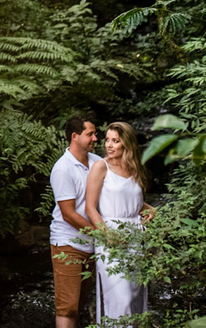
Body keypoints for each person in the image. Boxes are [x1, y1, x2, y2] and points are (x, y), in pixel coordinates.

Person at [85, 121, 155, 324]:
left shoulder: (134, 169)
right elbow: (90, 207)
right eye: (107, 140)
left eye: (115, 141)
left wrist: (152, 210)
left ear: (127, 143)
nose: (109, 145)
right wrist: (108, 236)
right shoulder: (101, 166)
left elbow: (136, 202)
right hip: (110, 236)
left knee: (133, 298)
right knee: (120, 297)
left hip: (136, 236)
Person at [50, 114, 101, 328]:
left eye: (95, 134)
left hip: (91, 244)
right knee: (67, 307)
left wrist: (143, 207)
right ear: (75, 136)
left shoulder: (98, 163)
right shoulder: (63, 169)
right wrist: (101, 235)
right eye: (90, 134)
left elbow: (118, 192)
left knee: (79, 305)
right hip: (67, 245)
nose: (96, 138)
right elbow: (69, 214)